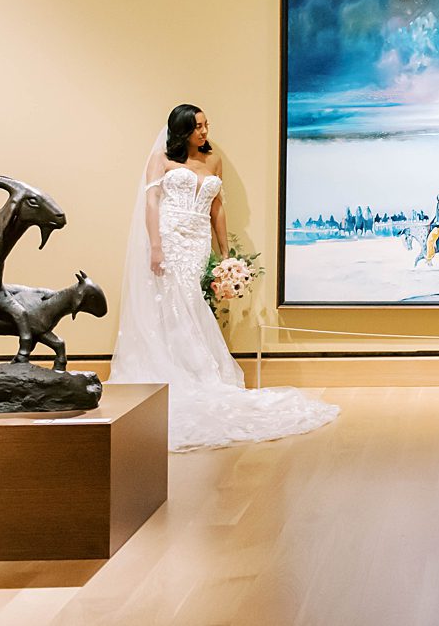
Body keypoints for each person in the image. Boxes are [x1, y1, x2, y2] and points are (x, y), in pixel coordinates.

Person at [110, 104, 338, 451]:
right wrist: (156, 245)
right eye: (198, 127)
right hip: (169, 234)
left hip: (197, 239)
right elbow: (152, 203)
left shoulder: (213, 160)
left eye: (206, 125)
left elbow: (217, 207)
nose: (204, 132)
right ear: (182, 130)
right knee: (173, 302)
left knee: (190, 299)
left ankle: (198, 371)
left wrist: (225, 254)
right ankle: (178, 371)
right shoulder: (161, 158)